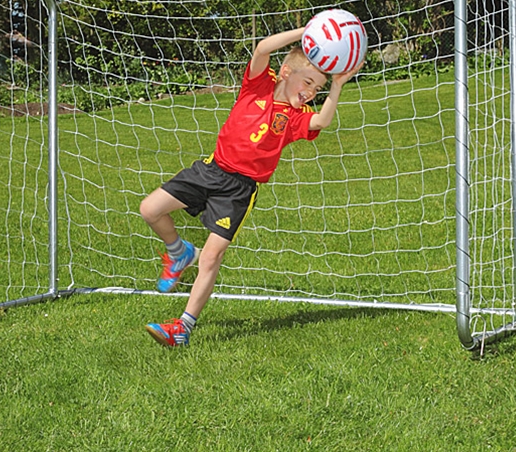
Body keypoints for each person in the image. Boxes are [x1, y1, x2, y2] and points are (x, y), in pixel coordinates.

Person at [140, 26, 363, 347]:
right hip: (210, 170)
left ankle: (182, 327)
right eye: (309, 82)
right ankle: (178, 252)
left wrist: (337, 87)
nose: (312, 92)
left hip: (239, 191)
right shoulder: (258, 85)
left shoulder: (296, 117)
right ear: (285, 72)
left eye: (318, 88)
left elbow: (322, 121)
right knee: (150, 209)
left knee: (212, 257)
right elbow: (262, 49)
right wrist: (306, 31)